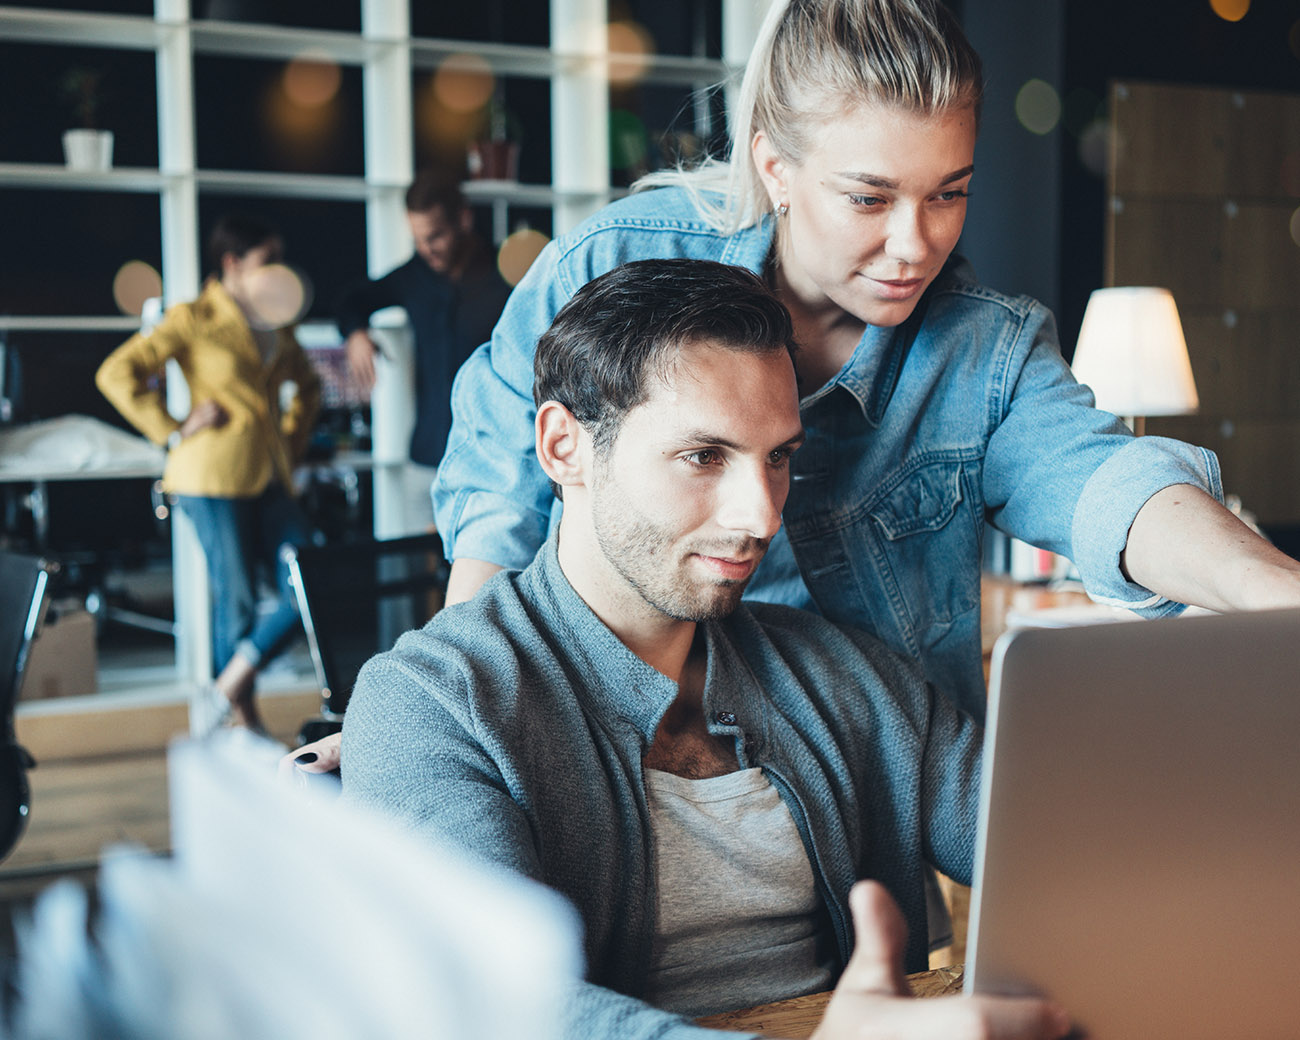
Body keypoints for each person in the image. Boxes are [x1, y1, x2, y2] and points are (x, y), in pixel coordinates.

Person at [422, 0, 1300, 723]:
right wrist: (453, 719)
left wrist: (1273, 592)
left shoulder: (981, 351)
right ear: (775, 164)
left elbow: (1106, 480)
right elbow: (498, 497)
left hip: (866, 806)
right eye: (869, 198)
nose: (915, 244)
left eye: (948, 193)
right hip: (610, 752)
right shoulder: (612, 264)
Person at [340, 259, 1070, 1040]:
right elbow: (499, 1004)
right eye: (703, 456)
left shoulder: (844, 675)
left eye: (778, 457)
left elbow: (1062, 862)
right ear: (563, 447)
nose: (760, 515)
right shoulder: (429, 700)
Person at [97, 213, 321, 734]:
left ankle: (224, 691)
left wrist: (290, 440)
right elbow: (116, 373)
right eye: (268, 260)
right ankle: (242, 716)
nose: (277, 271)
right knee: (236, 596)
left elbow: (307, 387)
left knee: (310, 574)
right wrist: (174, 427)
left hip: (269, 476)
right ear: (232, 264)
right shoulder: (193, 317)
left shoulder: (276, 322)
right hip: (209, 477)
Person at [335, 170, 511, 531]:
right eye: (418, 240)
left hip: (491, 463)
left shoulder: (506, 274)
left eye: (435, 237)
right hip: (426, 457)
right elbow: (351, 299)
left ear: (463, 219)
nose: (426, 250)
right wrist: (356, 334)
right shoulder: (414, 275)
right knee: (417, 573)